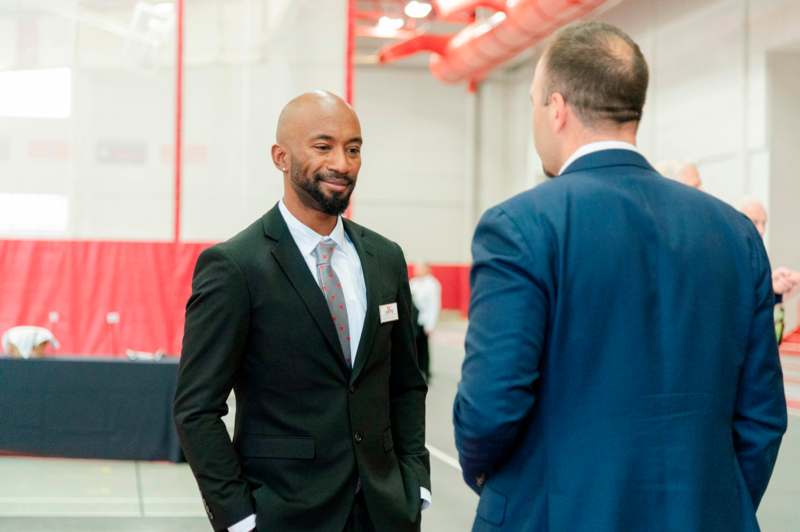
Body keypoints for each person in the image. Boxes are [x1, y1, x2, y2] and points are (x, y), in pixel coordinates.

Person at [453, 21, 786, 532]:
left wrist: (508, 489)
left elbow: (490, 408)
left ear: (556, 108)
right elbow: (761, 416)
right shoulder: (735, 235)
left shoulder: (521, 227)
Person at [174, 91, 430, 532]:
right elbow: (196, 408)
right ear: (281, 157)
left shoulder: (385, 258)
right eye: (323, 146)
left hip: (384, 510)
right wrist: (237, 516)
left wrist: (415, 480)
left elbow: (406, 382)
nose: (343, 163)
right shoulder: (235, 266)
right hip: (282, 513)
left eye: (353, 149)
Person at [739, 197, 800, 343]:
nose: (761, 230)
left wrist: (774, 290)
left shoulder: (758, 255)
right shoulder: (734, 257)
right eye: (755, 222)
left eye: (764, 223)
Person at [409, 263, 441, 379]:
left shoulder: (432, 284)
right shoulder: (413, 282)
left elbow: (434, 306)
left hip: (424, 321)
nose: (417, 271)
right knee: (413, 347)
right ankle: (415, 371)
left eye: (420, 269)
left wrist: (430, 325)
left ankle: (426, 372)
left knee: (423, 349)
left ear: (427, 269)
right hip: (413, 321)